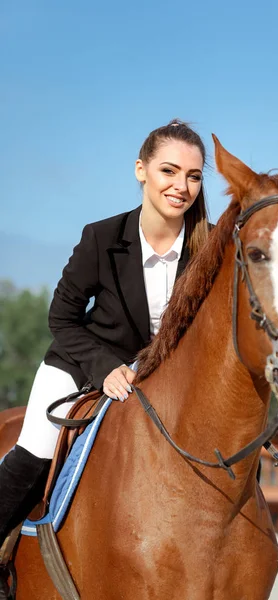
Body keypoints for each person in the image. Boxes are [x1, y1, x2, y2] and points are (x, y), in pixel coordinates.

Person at [0, 119, 209, 553]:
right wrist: (106, 367)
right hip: (81, 365)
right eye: (168, 171)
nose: (181, 186)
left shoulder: (208, 250)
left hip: (163, 380)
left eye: (193, 176)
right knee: (36, 448)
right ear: (141, 170)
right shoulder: (101, 237)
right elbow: (62, 318)